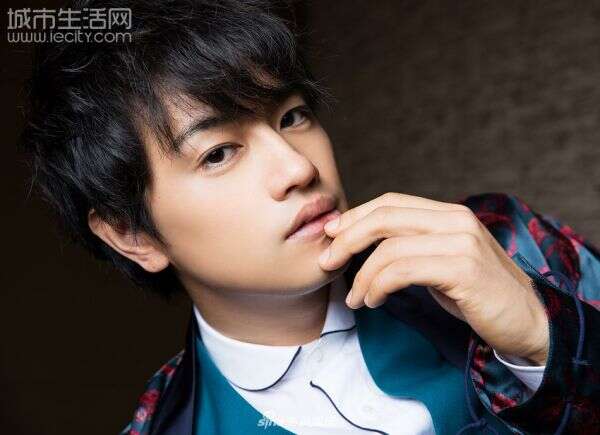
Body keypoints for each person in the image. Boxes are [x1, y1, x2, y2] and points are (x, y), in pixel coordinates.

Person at [18, 0, 598, 434]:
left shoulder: (504, 240)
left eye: (292, 116)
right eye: (218, 153)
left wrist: (541, 338)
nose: (298, 167)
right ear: (131, 234)